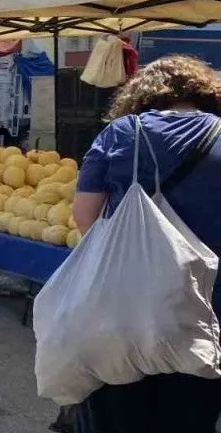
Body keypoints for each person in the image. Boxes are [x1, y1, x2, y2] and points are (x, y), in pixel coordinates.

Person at [70, 55, 221, 433]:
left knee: (118, 407)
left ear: (140, 95)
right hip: (208, 308)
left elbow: (85, 215)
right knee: (190, 415)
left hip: (128, 303)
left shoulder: (122, 133)